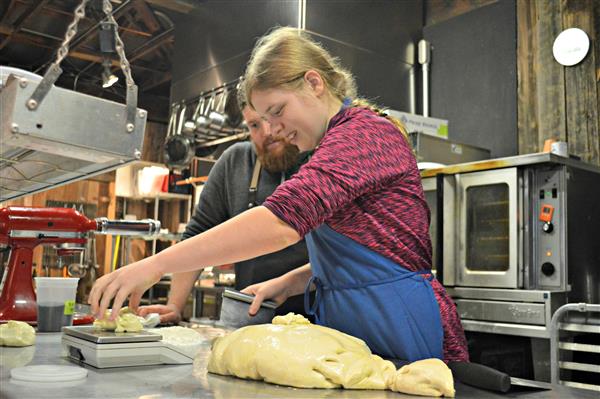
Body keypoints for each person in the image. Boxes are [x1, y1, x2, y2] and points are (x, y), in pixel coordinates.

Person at [90, 27, 468, 363]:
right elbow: (375, 248)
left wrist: (152, 265)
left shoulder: (364, 134)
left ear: (314, 83)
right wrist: (294, 280)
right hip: (365, 324)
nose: (272, 130)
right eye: (263, 119)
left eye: (277, 110)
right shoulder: (329, 145)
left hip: (403, 326)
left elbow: (281, 223)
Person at [137, 103, 310, 323]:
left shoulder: (321, 160)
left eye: (273, 117)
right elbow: (198, 234)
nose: (267, 132)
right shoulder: (235, 162)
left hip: (318, 317)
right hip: (250, 316)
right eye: (255, 125)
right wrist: (174, 304)